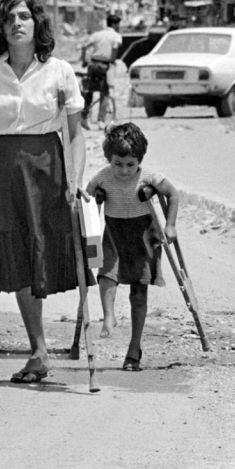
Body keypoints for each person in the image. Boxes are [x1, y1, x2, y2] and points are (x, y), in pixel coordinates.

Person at [0, 0, 86, 384]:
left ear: (37, 24)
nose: (17, 24)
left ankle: (46, 348)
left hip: (46, 167)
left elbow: (76, 134)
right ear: (0, 25)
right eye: (10, 17)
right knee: (16, 254)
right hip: (1, 169)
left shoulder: (59, 71)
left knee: (42, 250)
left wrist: (75, 179)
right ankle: (39, 349)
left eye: (24, 17)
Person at [86, 122, 179, 372]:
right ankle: (109, 316)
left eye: (130, 164)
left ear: (139, 160)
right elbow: (86, 195)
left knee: (139, 292)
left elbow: (173, 194)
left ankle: (134, 347)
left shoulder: (148, 177)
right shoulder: (103, 176)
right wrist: (93, 198)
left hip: (142, 235)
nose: (124, 171)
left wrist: (170, 225)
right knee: (106, 274)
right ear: (109, 159)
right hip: (114, 232)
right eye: (118, 164)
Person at [80, 12, 123, 129]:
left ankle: (84, 118)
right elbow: (114, 49)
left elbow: (84, 46)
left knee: (88, 91)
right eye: (118, 24)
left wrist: (84, 60)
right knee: (104, 93)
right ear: (114, 24)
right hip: (104, 65)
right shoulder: (116, 36)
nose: (119, 26)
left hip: (92, 64)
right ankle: (100, 120)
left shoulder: (97, 34)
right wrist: (113, 60)